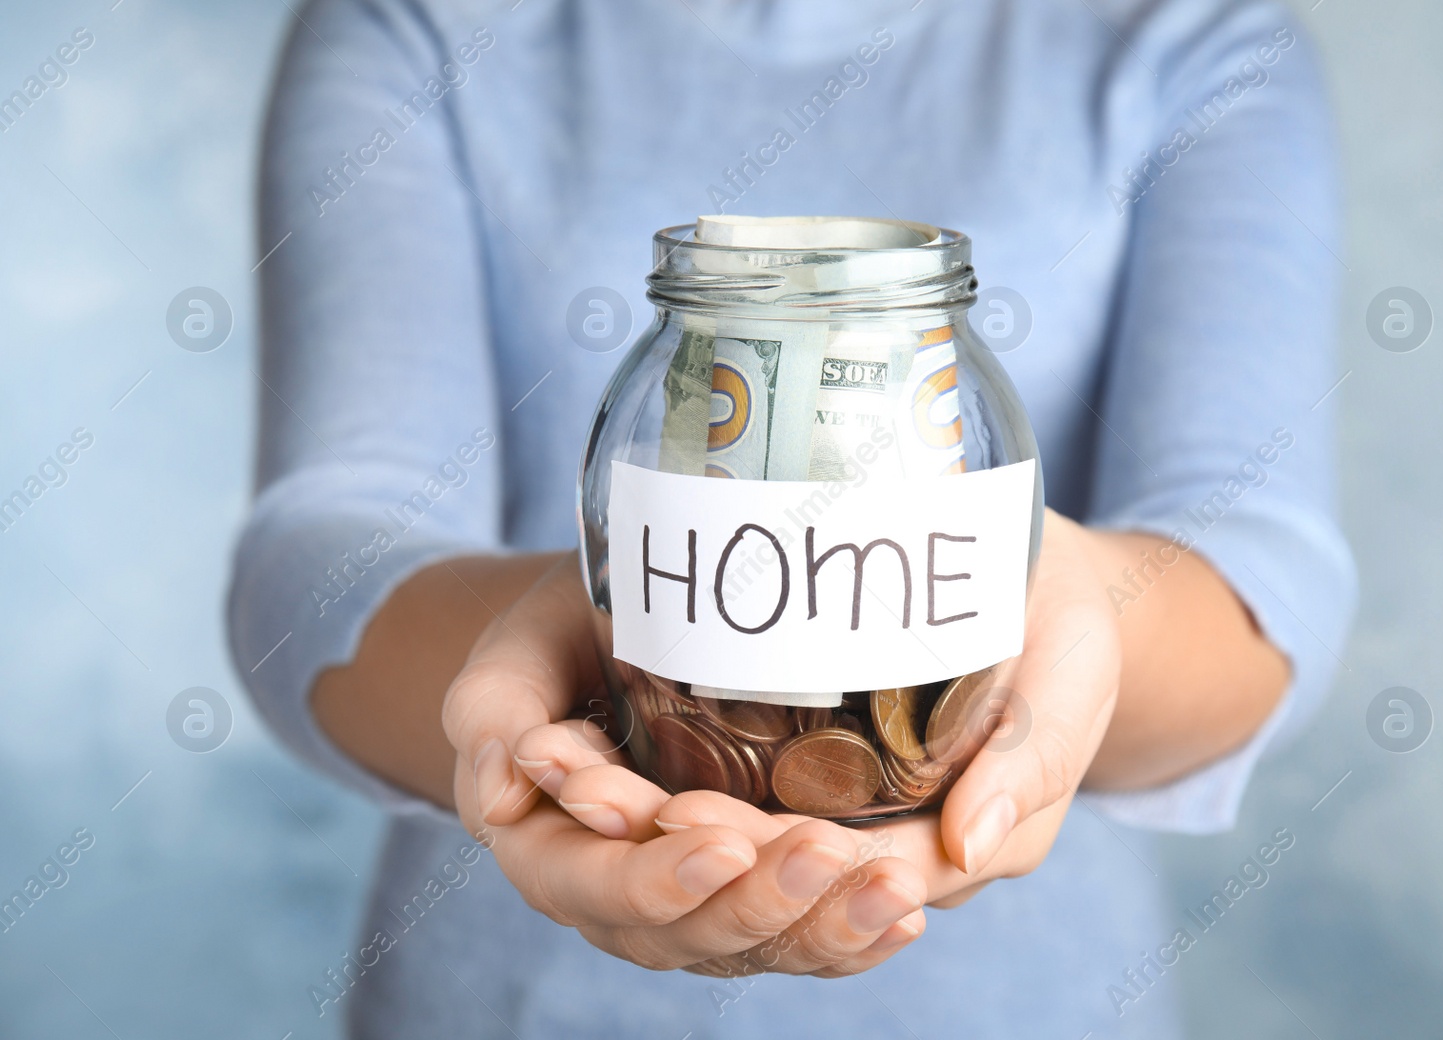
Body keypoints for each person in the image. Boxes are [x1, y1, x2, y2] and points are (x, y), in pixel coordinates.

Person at [229, 0, 1354, 1036]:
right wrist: (547, 658)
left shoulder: (1187, 33)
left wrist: (1057, 606)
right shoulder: (423, 23)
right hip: (504, 994)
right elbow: (316, 553)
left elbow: (1263, 567)